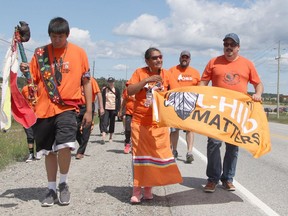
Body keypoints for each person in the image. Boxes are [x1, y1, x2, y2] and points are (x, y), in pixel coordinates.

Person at [20, 17, 92, 207]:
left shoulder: (79, 53)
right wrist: (25, 71)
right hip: (43, 109)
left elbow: (86, 83)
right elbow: (33, 81)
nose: (57, 40)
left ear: (67, 35)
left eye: (60, 36)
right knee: (49, 151)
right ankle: (51, 188)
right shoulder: (41, 53)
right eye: (53, 36)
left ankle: (63, 183)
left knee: (65, 145)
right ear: (49, 35)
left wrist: (90, 111)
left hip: (68, 107)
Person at [200, 33, 263, 193]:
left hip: (237, 112)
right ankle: (212, 179)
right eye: (226, 44)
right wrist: (200, 93)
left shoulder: (247, 64)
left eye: (232, 44)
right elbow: (203, 82)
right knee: (214, 143)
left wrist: (258, 94)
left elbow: (258, 84)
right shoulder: (214, 62)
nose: (229, 47)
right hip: (216, 110)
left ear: (238, 47)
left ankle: (228, 178)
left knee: (233, 146)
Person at [127, 47, 182, 204]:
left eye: (160, 57)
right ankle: (137, 190)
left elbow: (178, 94)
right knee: (138, 158)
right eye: (155, 58)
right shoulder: (139, 72)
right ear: (147, 61)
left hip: (159, 125)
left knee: (156, 157)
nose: (159, 60)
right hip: (140, 123)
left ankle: (149, 189)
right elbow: (130, 91)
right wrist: (146, 81)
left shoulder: (167, 75)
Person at [168, 50, 200, 163]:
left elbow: (200, 89)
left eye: (186, 57)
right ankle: (174, 150)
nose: (184, 59)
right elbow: (166, 85)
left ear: (189, 59)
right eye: (183, 57)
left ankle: (189, 152)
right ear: (179, 58)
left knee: (190, 129)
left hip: (190, 105)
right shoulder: (172, 70)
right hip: (175, 104)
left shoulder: (195, 72)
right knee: (174, 129)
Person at [75, 78, 104, 159]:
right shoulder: (76, 79)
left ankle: (80, 152)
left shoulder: (91, 80)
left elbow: (98, 93)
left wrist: (101, 107)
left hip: (88, 106)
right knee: (75, 128)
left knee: (86, 130)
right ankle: (82, 145)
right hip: (77, 106)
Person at [21, 85, 42, 162]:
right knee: (30, 135)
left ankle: (39, 152)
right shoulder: (24, 89)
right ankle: (31, 155)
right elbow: (21, 101)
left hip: (38, 114)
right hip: (27, 115)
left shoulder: (39, 86)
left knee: (38, 134)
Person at [100, 77, 121, 144]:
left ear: (114, 82)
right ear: (108, 82)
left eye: (112, 82)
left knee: (112, 123)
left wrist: (118, 110)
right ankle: (103, 137)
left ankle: (110, 137)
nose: (110, 83)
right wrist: (101, 108)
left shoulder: (117, 90)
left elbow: (119, 100)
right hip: (106, 108)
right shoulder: (105, 90)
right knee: (104, 122)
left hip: (113, 109)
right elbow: (102, 99)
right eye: (109, 82)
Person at [118, 87, 135, 154]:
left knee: (136, 130)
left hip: (138, 113)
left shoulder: (141, 89)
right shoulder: (127, 90)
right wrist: (121, 110)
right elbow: (124, 100)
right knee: (128, 129)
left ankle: (134, 146)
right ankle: (127, 144)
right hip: (129, 112)